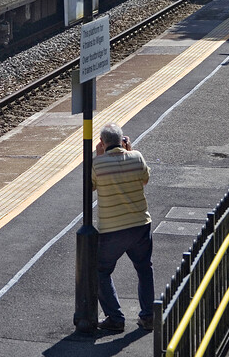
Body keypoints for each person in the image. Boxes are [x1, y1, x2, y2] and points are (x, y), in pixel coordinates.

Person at [91, 122, 154, 333]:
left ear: (102, 142)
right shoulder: (137, 157)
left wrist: (98, 157)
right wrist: (131, 149)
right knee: (144, 269)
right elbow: (144, 179)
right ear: (122, 140)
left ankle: (115, 318)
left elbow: (89, 187)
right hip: (140, 226)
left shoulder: (98, 165)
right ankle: (148, 316)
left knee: (100, 271)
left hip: (112, 230)